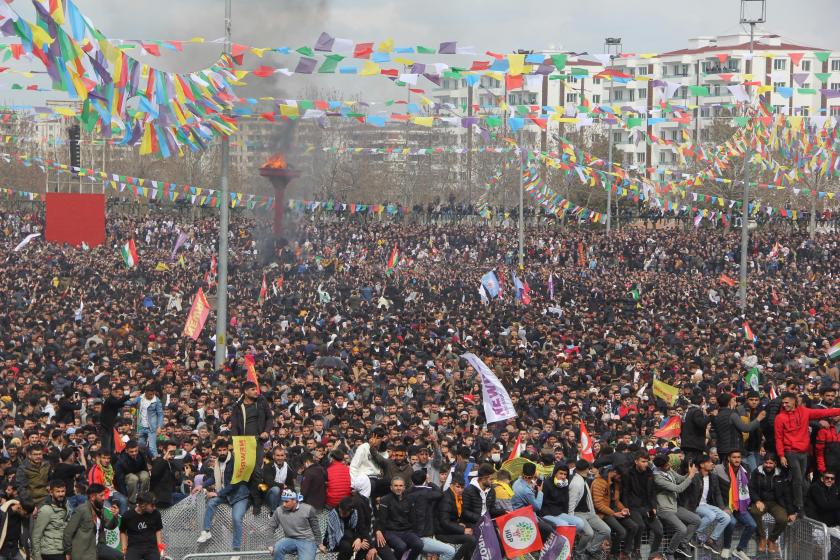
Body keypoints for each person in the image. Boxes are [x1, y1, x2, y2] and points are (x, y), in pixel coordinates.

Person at [775, 392, 840, 512]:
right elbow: (778, 438)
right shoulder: (780, 418)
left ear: (794, 401)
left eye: (786, 402)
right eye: (783, 403)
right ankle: (799, 506)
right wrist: (781, 455)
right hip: (790, 452)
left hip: (804, 452)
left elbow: (825, 413)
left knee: (802, 480)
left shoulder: (804, 412)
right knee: (798, 479)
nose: (784, 405)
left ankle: (805, 501)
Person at [196, 439, 251, 554]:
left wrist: (218, 493)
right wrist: (202, 485)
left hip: (239, 496)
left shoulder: (235, 461)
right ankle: (206, 531)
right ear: (216, 451)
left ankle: (236, 551)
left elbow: (234, 483)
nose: (222, 452)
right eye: (220, 450)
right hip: (226, 495)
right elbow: (213, 478)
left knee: (236, 519)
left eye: (224, 450)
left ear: (228, 450)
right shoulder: (217, 462)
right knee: (211, 503)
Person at [231, 381, 272, 512]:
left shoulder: (261, 402)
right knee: (246, 471)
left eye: (256, 389)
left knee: (257, 471)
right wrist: (235, 446)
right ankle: (251, 497)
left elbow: (269, 418)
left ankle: (258, 500)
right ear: (246, 392)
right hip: (243, 443)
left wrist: (266, 431)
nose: (256, 392)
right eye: (253, 389)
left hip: (258, 441)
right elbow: (234, 427)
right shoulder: (238, 406)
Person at [651, 454, 699, 560]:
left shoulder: (668, 469)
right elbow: (678, 488)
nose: (670, 465)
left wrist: (689, 473)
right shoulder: (657, 477)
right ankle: (669, 552)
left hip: (674, 506)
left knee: (696, 520)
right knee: (682, 529)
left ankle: (682, 544)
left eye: (669, 462)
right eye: (667, 464)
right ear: (660, 466)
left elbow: (679, 479)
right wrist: (691, 476)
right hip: (664, 509)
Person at [748, 453, 796, 554]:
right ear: (763, 462)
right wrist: (757, 500)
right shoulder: (756, 472)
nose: (768, 465)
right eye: (766, 462)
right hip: (761, 501)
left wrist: (791, 512)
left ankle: (772, 540)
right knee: (754, 512)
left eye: (771, 463)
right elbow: (751, 489)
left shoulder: (781, 474)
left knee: (783, 519)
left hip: (776, 502)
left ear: (775, 464)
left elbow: (787, 493)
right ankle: (762, 538)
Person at [713, 450, 756, 560]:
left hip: (739, 505)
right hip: (725, 504)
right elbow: (715, 491)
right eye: (734, 457)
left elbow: (747, 489)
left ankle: (739, 550)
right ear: (728, 458)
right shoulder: (718, 469)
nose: (737, 460)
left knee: (752, 525)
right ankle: (726, 547)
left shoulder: (745, 470)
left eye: (738, 457)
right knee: (731, 522)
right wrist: (723, 507)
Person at [62, 483, 121, 560]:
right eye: (101, 495)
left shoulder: (100, 509)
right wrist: (68, 552)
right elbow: (68, 532)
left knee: (119, 556)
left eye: (104, 495)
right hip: (84, 551)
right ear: (92, 497)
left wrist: (115, 516)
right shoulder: (81, 510)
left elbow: (109, 526)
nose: (104, 498)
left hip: (98, 547)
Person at [683, 455, 729, 554]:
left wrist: (722, 508)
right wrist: (691, 474)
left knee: (726, 517)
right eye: (709, 462)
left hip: (705, 505)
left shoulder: (713, 476)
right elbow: (686, 492)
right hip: (694, 505)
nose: (712, 463)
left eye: (712, 462)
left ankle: (711, 540)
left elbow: (717, 493)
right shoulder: (694, 476)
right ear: (702, 465)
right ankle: (695, 535)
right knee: (711, 515)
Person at [621, 451, 663, 557]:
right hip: (633, 506)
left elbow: (653, 492)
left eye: (647, 461)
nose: (645, 464)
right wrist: (626, 507)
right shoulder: (628, 473)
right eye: (643, 461)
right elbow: (625, 493)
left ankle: (652, 555)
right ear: (636, 461)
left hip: (647, 506)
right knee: (640, 525)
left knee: (659, 530)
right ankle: (635, 550)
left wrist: (654, 507)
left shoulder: (649, 473)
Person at [407, 469, 455, 560]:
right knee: (450, 551)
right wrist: (430, 482)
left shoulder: (407, 493)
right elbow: (440, 493)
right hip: (422, 537)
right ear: (425, 479)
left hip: (411, 535)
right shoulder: (426, 493)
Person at [592, 465, 638, 560]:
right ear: (613, 472)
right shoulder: (598, 482)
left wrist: (623, 509)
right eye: (619, 475)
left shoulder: (615, 483)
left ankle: (625, 553)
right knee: (622, 532)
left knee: (634, 527)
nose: (620, 477)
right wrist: (613, 513)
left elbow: (616, 501)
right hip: (603, 513)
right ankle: (612, 554)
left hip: (613, 510)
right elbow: (598, 504)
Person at [568, 459, 611, 559]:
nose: (590, 470)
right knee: (589, 533)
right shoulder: (575, 483)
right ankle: (578, 553)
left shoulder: (583, 480)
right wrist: (571, 521)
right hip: (577, 514)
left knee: (606, 530)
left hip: (588, 513)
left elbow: (589, 502)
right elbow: (571, 505)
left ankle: (591, 550)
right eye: (589, 468)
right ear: (586, 469)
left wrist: (593, 514)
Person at [374, 476, 423, 560]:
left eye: (401, 486)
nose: (398, 488)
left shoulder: (409, 499)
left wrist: (416, 533)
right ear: (391, 487)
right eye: (396, 486)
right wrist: (378, 530)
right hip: (390, 531)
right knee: (401, 546)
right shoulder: (385, 500)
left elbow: (413, 518)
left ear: (404, 487)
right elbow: (381, 519)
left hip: (406, 531)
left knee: (419, 544)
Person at [712, 393, 764, 465]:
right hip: (732, 449)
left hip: (721, 449)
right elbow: (745, 428)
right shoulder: (732, 414)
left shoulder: (717, 415)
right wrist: (758, 419)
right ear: (729, 402)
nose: (735, 402)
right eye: (733, 400)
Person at [269, 489, 322, 560]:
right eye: (283, 501)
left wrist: (319, 543)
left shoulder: (308, 509)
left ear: (294, 500)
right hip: (289, 539)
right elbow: (270, 527)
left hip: (307, 540)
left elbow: (316, 528)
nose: (284, 504)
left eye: (286, 501)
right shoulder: (279, 510)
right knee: (277, 548)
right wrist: (270, 544)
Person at [510, 462, 557, 542]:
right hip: (525, 517)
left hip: (517, 512)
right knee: (550, 528)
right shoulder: (526, 491)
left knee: (552, 524)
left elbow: (531, 481)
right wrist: (540, 492)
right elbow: (537, 507)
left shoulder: (517, 482)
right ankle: (539, 548)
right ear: (534, 473)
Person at [435, 478, 477, 560]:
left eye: (462, 487)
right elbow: (444, 522)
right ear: (451, 486)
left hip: (448, 530)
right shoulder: (446, 499)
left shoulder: (455, 496)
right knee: (470, 539)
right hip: (442, 533)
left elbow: (453, 517)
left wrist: (458, 524)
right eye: (458, 487)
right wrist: (462, 530)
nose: (460, 490)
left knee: (473, 532)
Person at [31, 479, 69, 560]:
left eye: (63, 491)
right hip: (50, 553)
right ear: (51, 492)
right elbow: (36, 536)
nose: (61, 494)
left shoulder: (67, 506)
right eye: (58, 491)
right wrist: (37, 557)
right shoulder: (46, 510)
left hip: (63, 551)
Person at [119, 492, 164, 560]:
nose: (154, 507)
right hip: (134, 547)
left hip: (151, 547)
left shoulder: (156, 514)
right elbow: (123, 532)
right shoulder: (127, 516)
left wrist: (160, 548)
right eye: (152, 505)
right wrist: (124, 549)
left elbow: (158, 530)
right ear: (143, 505)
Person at [542, 463, 586, 531]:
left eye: (565, 474)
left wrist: (566, 516)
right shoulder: (547, 483)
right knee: (564, 525)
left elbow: (566, 502)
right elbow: (542, 502)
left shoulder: (565, 484)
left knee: (580, 523)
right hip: (547, 514)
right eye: (561, 473)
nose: (563, 476)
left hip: (560, 513)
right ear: (555, 473)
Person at [87, 450, 128, 514]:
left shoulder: (110, 467)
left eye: (108, 458)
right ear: (99, 458)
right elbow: (93, 490)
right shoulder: (94, 471)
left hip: (111, 492)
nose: (106, 460)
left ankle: (123, 521)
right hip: (101, 495)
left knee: (124, 500)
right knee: (110, 511)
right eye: (104, 458)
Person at [14, 443, 51, 512]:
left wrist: (49, 484)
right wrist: (30, 505)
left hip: (46, 497)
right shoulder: (23, 468)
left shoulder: (47, 464)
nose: (38, 456)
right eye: (35, 454)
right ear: (29, 455)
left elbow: (51, 479)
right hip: (31, 499)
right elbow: (21, 488)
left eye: (40, 454)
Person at [130, 385, 164, 458]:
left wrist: (159, 427)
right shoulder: (140, 398)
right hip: (141, 427)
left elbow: (160, 414)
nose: (151, 396)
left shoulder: (157, 401)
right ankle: (142, 462)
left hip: (151, 428)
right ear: (145, 392)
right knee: (140, 446)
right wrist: (125, 398)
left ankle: (156, 464)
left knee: (152, 447)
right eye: (149, 394)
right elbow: (131, 403)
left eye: (152, 394)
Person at [115, 440, 150, 507]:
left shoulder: (141, 454)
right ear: (126, 451)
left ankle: (143, 497)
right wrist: (125, 495)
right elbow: (120, 480)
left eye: (136, 451)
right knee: (133, 478)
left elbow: (145, 468)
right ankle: (132, 501)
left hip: (138, 473)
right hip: (127, 477)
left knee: (145, 475)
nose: (134, 453)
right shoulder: (121, 461)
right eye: (131, 452)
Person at [805, 470, 840, 536]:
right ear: (822, 478)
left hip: (828, 517)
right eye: (827, 478)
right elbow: (824, 505)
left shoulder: (833, 487)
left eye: (832, 479)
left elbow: (832, 503)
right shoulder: (815, 487)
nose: (829, 480)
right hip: (817, 520)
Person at [149, 441, 183, 509]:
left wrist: (177, 470)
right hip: (158, 496)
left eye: (175, 452)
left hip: (170, 495)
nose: (173, 454)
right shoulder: (158, 460)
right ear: (164, 451)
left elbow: (179, 482)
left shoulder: (174, 463)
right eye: (171, 451)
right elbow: (154, 474)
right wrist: (165, 459)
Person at [680, 393, 710, 468]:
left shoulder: (687, 411)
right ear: (701, 402)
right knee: (693, 464)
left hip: (687, 442)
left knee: (689, 462)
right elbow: (701, 424)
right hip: (694, 443)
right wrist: (710, 417)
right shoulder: (697, 411)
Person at [262, 447, 296, 512]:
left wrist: (293, 495)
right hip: (270, 493)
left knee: (287, 507)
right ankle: (273, 511)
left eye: (282, 455)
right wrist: (282, 486)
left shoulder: (289, 467)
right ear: (273, 456)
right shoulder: (268, 466)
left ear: (285, 456)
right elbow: (269, 482)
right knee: (275, 489)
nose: (280, 458)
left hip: (282, 493)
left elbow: (291, 485)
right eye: (277, 455)